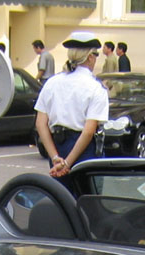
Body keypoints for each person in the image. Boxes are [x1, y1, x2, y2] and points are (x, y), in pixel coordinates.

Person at [34, 31, 109, 179]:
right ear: (90, 57)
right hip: (84, 150)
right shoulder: (96, 88)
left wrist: (55, 158)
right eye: (95, 55)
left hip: (57, 147)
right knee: (86, 193)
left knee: (60, 193)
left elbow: (40, 124)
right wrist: (67, 163)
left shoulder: (52, 82)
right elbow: (88, 132)